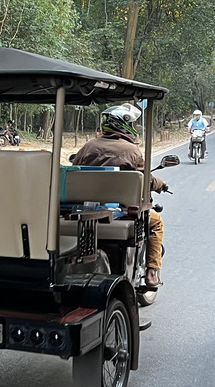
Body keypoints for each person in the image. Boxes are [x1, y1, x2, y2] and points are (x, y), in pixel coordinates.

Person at [70, 104, 168, 288]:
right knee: (156, 223)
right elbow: (146, 179)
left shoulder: (88, 146)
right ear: (124, 125)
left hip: (85, 210)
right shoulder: (131, 151)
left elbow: (73, 169)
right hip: (121, 212)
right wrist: (160, 185)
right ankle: (152, 273)